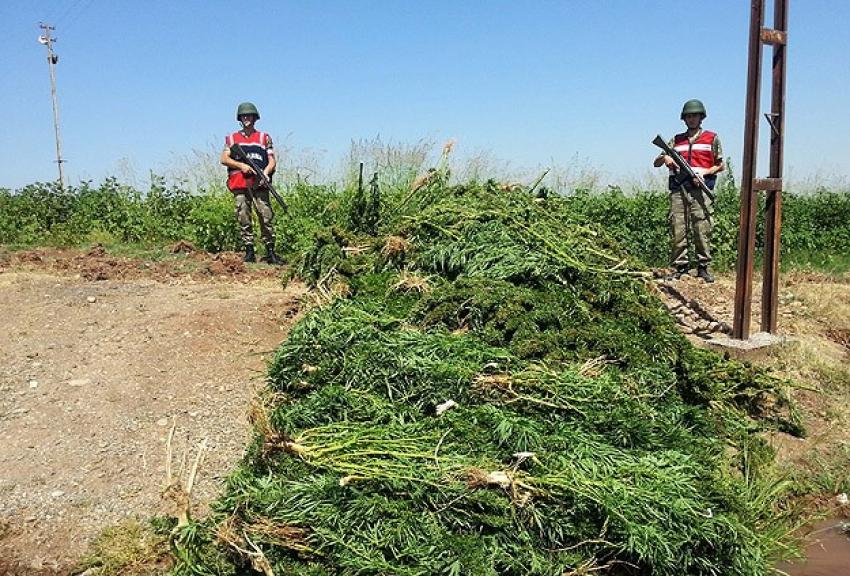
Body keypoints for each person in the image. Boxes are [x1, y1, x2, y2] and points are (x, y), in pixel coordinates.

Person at [654, 99, 724, 283]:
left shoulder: (712, 138)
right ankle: (680, 267)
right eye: (688, 116)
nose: (692, 119)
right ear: (684, 119)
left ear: (701, 117)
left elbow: (720, 165)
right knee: (678, 227)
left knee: (702, 227)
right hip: (679, 189)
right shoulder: (676, 140)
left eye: (695, 116)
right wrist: (666, 158)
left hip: (700, 188)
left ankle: (703, 267)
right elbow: (657, 161)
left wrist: (704, 172)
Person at [220, 102, 282, 264]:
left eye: (249, 116)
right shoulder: (232, 139)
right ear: (240, 118)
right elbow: (224, 158)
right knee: (243, 215)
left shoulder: (264, 137)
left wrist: (266, 173)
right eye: (243, 116)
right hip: (240, 183)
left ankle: (270, 251)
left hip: (259, 183)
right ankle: (249, 250)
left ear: (255, 118)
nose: (246, 118)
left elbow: (272, 160)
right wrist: (241, 165)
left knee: (266, 215)